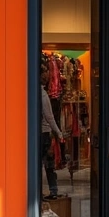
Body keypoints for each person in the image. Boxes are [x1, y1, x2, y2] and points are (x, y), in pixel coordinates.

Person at [41, 65, 66, 201]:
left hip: (38, 133)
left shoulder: (31, 92)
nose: (48, 75)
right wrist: (58, 132)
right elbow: (49, 116)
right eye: (45, 72)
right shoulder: (43, 95)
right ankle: (53, 190)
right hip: (44, 133)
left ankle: (39, 190)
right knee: (49, 164)